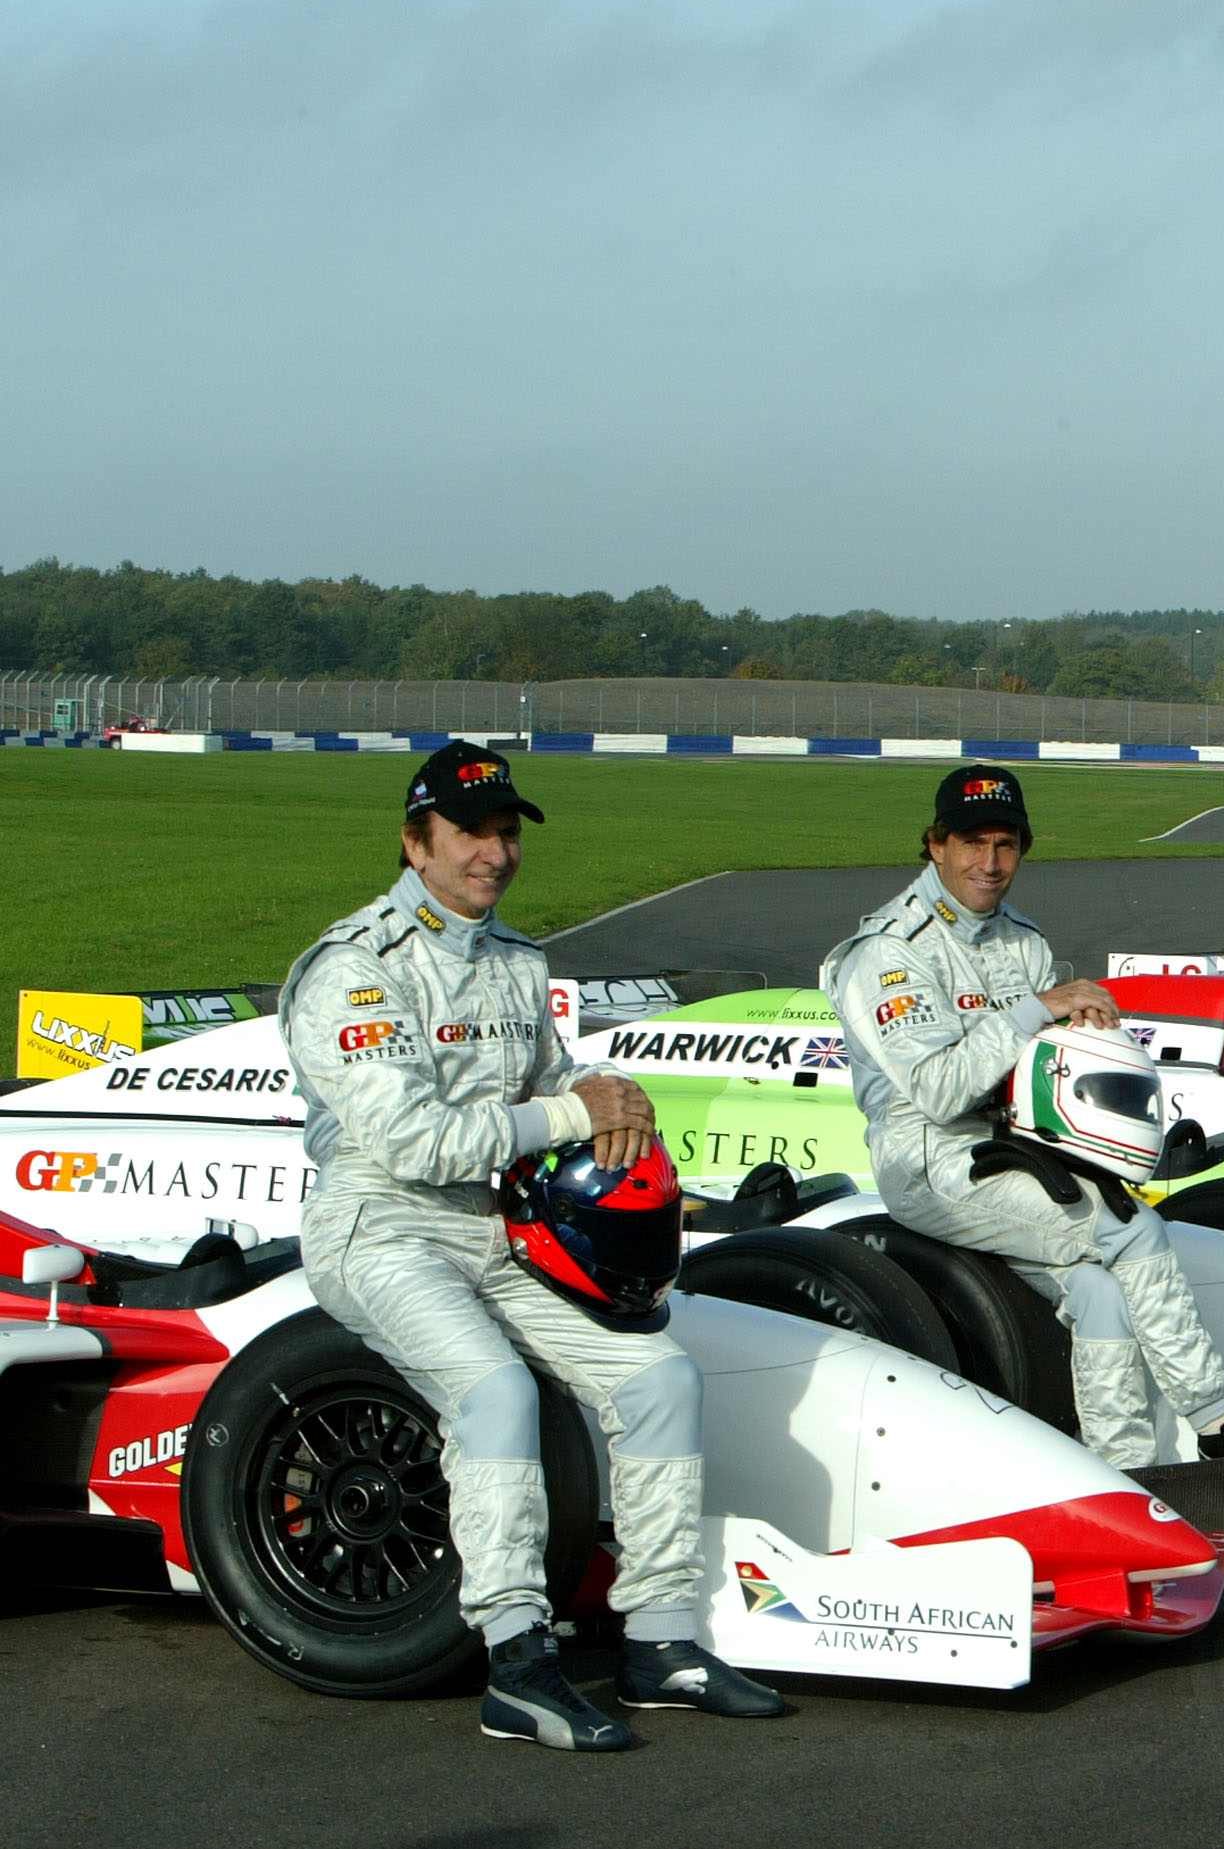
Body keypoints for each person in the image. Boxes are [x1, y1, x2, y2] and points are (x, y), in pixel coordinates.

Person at [281, 741, 780, 1752]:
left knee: (659, 1378)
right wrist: (569, 1111)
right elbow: (417, 1141)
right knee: (496, 1393)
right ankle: (516, 1661)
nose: (495, 852)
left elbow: (554, 1089)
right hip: (380, 1225)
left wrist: (614, 1105)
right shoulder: (353, 967)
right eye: (471, 831)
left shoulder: (517, 958)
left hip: (502, 1229)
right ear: (415, 842)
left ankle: (659, 1642)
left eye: (506, 831)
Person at [822, 766, 1224, 1494]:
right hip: (931, 1160)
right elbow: (938, 1090)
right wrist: (1040, 1008)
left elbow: (1041, 1051)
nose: (989, 863)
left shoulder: (1020, 939)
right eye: (971, 843)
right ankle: (1220, 1422)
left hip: (1020, 1151)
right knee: (1132, 1229)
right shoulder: (888, 952)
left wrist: (1081, 1027)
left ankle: (1126, 1478)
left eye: (1006, 844)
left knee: (1101, 1294)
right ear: (934, 845)